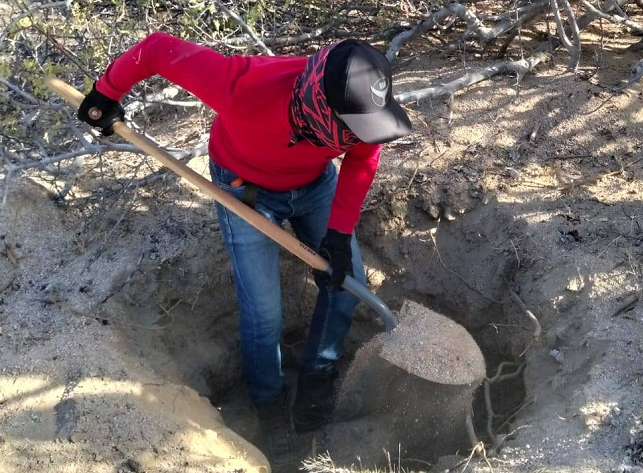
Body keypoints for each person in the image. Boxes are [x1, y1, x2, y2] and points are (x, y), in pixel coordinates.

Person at [76, 32, 412, 460]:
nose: (364, 136)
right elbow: (159, 49)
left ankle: (316, 383)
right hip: (245, 188)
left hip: (314, 185)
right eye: (356, 128)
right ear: (319, 109)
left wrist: (339, 235)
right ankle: (268, 406)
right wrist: (105, 93)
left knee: (345, 283)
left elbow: (364, 158)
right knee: (263, 312)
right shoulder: (242, 84)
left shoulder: (359, 113)